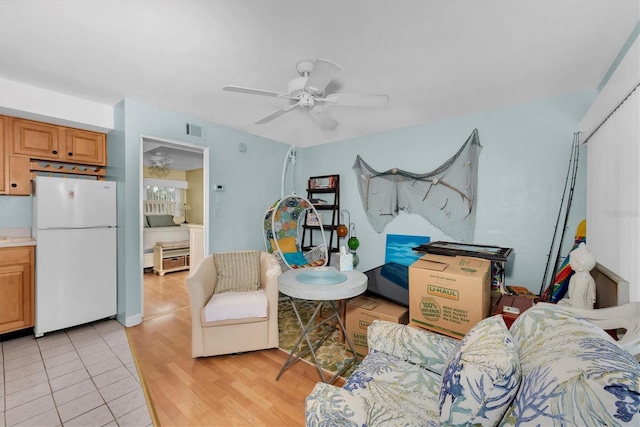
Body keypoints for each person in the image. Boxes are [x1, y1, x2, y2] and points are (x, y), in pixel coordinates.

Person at [557, 243, 597, 309]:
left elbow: (578, 304)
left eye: (572, 261)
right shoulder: (577, 276)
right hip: (576, 306)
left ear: (581, 265)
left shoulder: (582, 280)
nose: (569, 263)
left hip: (581, 311)